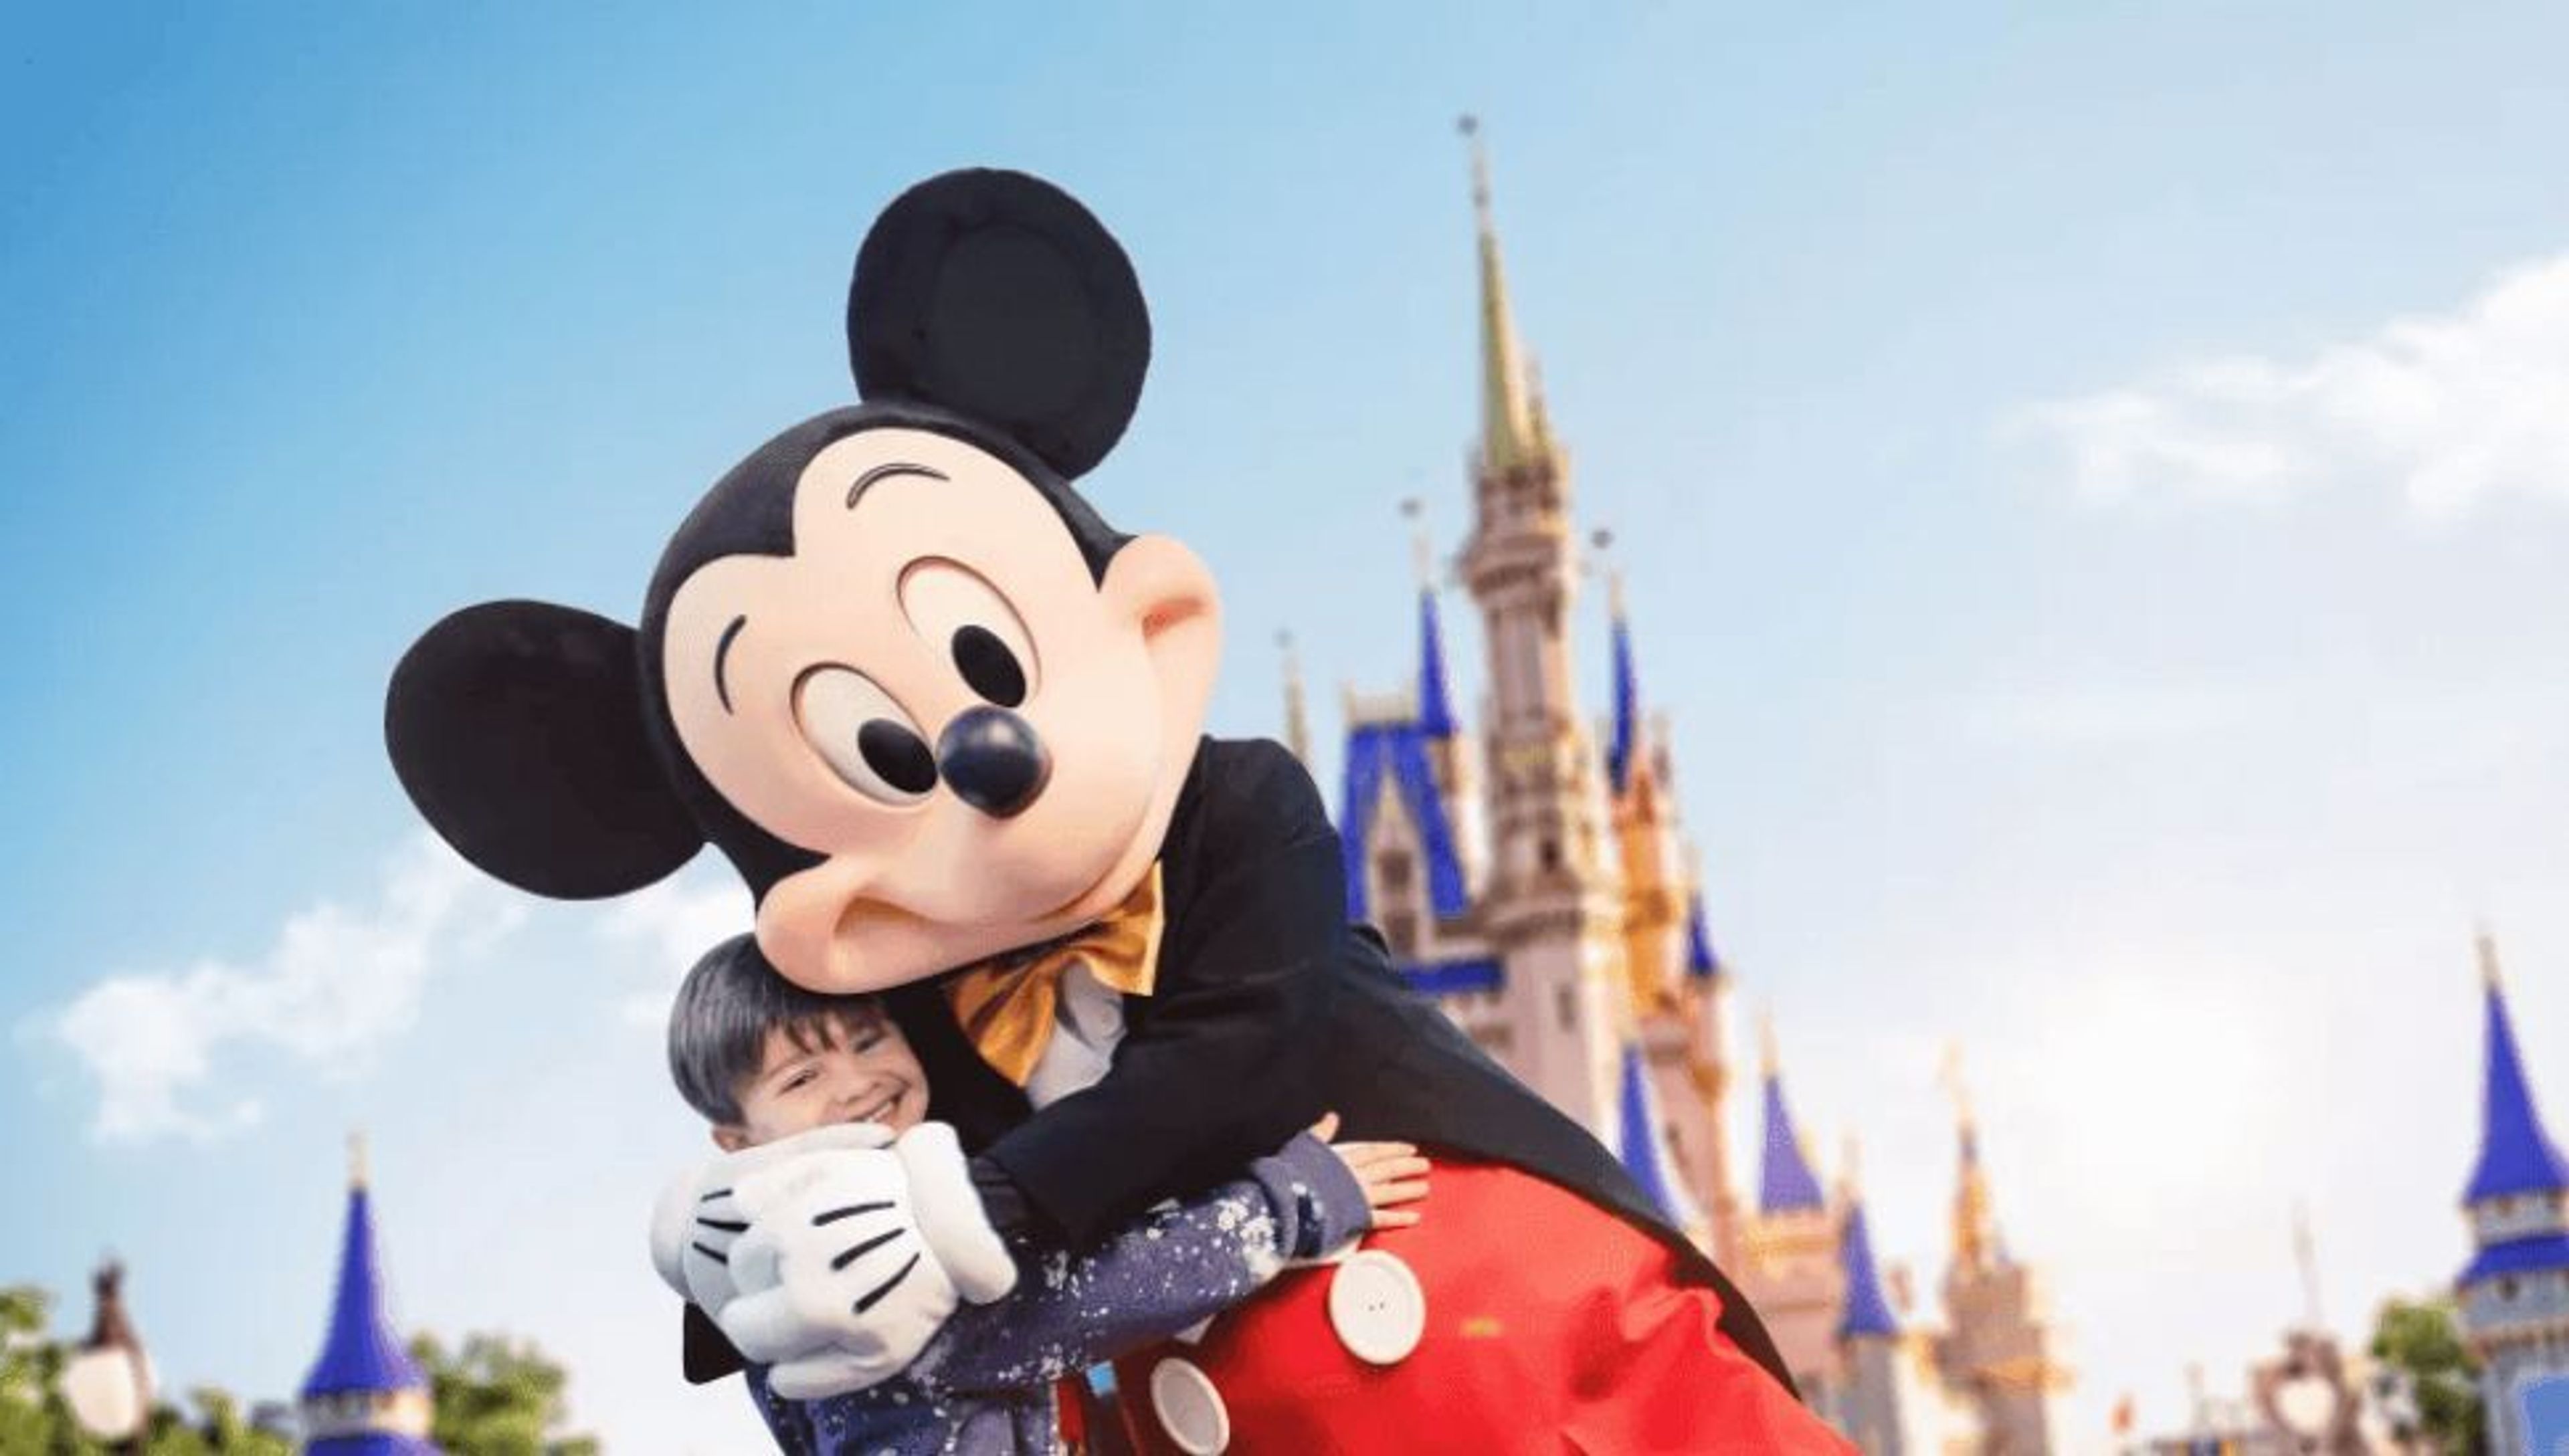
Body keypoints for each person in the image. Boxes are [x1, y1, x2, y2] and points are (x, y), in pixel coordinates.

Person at [652, 934, 1427, 1456]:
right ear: (738, 1141)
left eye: (867, 1038)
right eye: (801, 1077)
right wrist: (1287, 1202)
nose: (857, 1082)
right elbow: (1074, 1306)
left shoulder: (748, 1267)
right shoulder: (850, 1242)